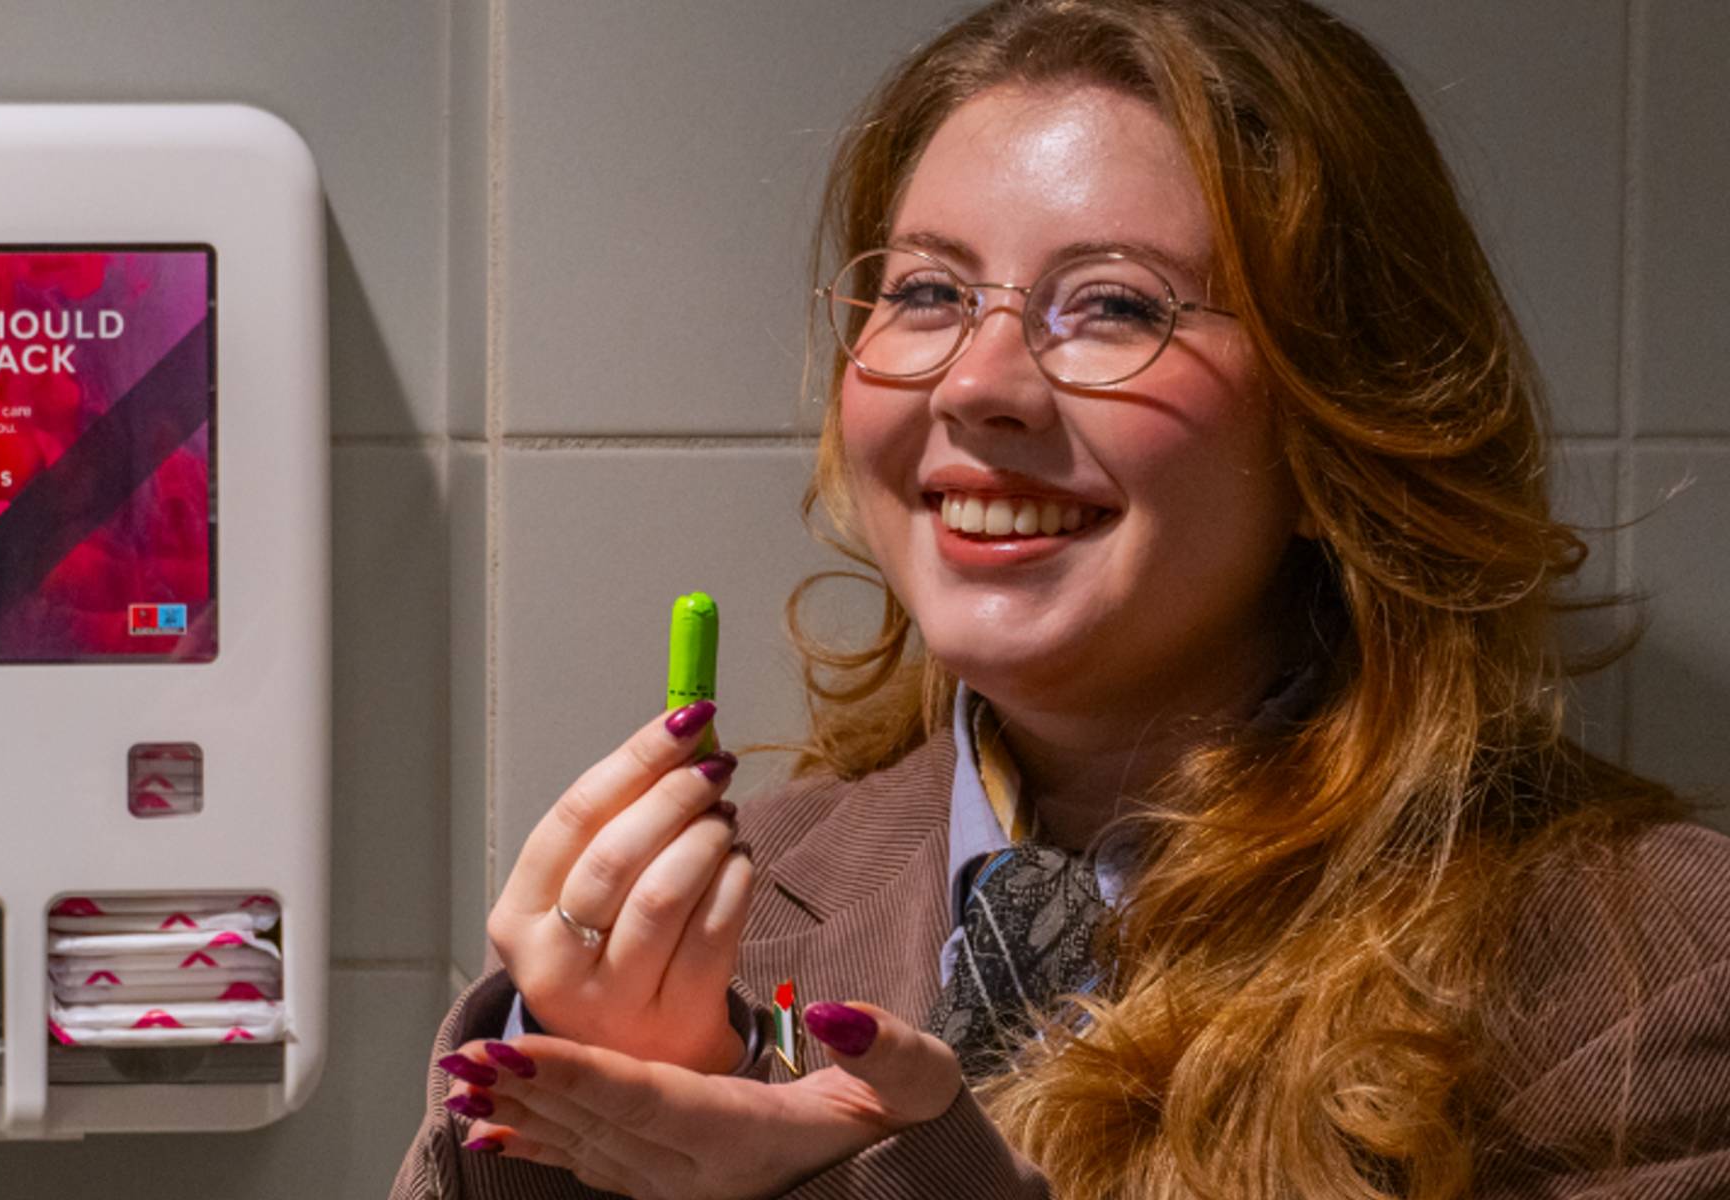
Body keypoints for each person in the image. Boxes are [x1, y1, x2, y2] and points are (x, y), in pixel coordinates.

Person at [392, 0, 1730, 1195]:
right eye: (926, 289)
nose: (977, 384)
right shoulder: (723, 930)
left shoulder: (1645, 972)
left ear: (1346, 412)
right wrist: (562, 1094)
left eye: (1114, 308)